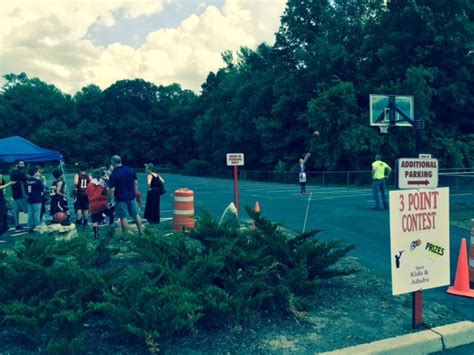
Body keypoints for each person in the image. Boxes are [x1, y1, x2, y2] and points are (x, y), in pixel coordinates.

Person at [107, 155, 144, 235]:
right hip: (131, 196)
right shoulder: (130, 170)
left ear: (112, 163)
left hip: (120, 198)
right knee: (135, 214)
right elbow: (136, 182)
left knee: (123, 217)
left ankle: (126, 236)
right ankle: (141, 233)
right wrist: (135, 193)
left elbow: (112, 189)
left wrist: (109, 200)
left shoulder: (114, 174)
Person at [86, 169, 115, 239]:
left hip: (93, 204)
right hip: (102, 203)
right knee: (112, 210)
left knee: (95, 221)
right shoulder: (102, 184)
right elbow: (106, 193)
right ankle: (111, 224)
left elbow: (87, 194)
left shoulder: (89, 185)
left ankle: (96, 235)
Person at [10, 160, 28, 230]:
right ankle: (32, 224)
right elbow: (26, 182)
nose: (23, 165)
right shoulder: (21, 174)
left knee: (16, 211)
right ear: (17, 164)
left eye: (23, 164)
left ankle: (17, 225)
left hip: (15, 194)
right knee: (27, 209)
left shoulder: (11, 173)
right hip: (21, 194)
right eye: (21, 164)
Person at [26, 166, 44, 232]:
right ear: (35, 172)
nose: (38, 173)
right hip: (37, 199)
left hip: (30, 199)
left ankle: (30, 228)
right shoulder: (38, 181)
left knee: (30, 215)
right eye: (38, 172)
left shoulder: (27, 180)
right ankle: (38, 228)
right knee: (37, 214)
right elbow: (42, 189)